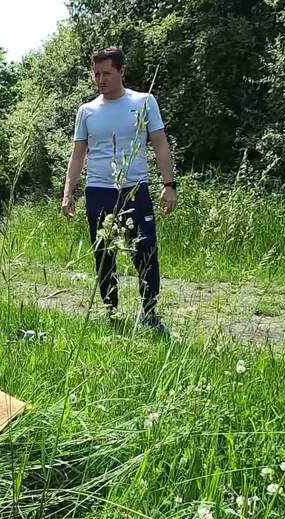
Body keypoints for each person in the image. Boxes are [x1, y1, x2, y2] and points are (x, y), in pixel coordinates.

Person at [61, 47, 177, 334]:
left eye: (107, 73)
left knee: (145, 252)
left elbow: (160, 145)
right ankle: (111, 312)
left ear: (122, 71)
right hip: (98, 191)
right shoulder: (87, 111)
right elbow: (78, 155)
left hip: (135, 189)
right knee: (104, 254)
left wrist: (169, 185)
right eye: (96, 74)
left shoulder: (145, 102)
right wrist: (68, 192)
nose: (101, 80)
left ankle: (149, 314)